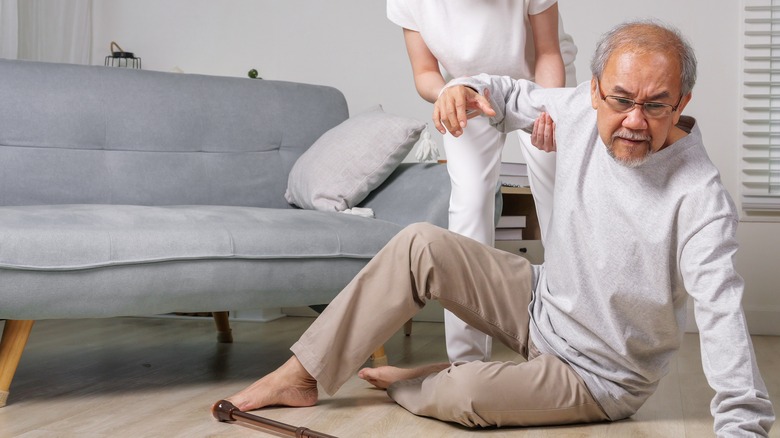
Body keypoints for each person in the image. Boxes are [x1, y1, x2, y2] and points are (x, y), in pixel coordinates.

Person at [224, 20, 775, 435]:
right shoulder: (580, 111)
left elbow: (721, 310)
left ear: (682, 102)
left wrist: (744, 426)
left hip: (599, 375)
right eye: (622, 100)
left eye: (656, 106)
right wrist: (461, 88)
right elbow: (508, 94)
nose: (634, 120)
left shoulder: (700, 198)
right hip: (540, 305)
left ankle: (420, 383)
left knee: (465, 392)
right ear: (594, 90)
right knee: (421, 244)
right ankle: (303, 374)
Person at [388, 0, 577, 364]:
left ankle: (568, 346)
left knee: (558, 204)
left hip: (540, 87)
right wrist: (446, 93)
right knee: (469, 210)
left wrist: (551, 108)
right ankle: (466, 360)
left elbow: (549, 52)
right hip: (467, 93)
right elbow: (425, 71)